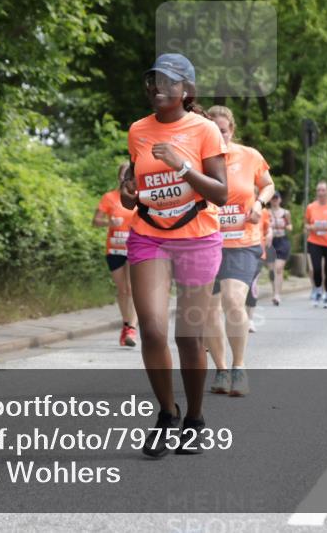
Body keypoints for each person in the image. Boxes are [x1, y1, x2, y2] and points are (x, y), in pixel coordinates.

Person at [119, 53, 228, 458]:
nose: (156, 87)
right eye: (152, 81)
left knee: (188, 336)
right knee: (150, 328)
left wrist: (182, 167)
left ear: (186, 91)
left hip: (198, 237)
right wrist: (128, 194)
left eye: (166, 81)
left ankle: (195, 419)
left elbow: (220, 191)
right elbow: (133, 190)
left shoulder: (204, 131)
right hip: (149, 235)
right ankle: (167, 413)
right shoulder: (137, 131)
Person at [204, 105, 274, 398]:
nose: (218, 135)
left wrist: (258, 205)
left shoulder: (250, 156)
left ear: (231, 130)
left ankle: (239, 367)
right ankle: (220, 369)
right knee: (207, 312)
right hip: (206, 242)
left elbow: (268, 185)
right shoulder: (198, 159)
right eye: (213, 131)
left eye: (223, 130)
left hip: (243, 242)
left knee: (234, 300)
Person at [94, 163, 138, 347]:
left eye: (128, 175)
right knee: (123, 290)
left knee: (132, 288)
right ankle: (125, 323)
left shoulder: (139, 197)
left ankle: (131, 329)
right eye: (122, 174)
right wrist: (109, 222)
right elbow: (95, 221)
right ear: (119, 177)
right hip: (115, 249)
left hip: (134, 248)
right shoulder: (109, 197)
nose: (124, 178)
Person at [306, 181, 327, 308]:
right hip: (314, 242)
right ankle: (318, 290)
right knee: (316, 269)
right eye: (318, 190)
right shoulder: (311, 207)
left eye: (323, 190)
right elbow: (306, 225)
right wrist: (311, 227)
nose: (320, 193)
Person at [267, 193, 292, 305]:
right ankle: (274, 291)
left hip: (282, 241)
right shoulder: (266, 213)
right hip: (271, 242)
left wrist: (284, 226)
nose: (275, 200)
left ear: (280, 200)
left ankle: (277, 294)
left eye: (276, 198)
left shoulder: (285, 213)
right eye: (273, 198)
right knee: (271, 270)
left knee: (278, 268)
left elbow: (290, 227)